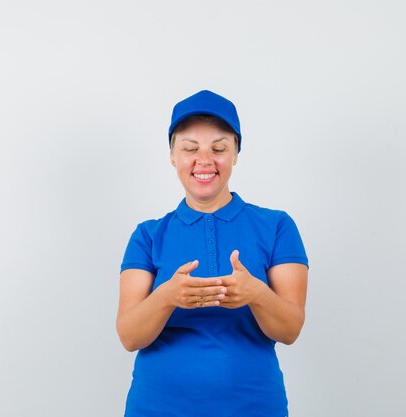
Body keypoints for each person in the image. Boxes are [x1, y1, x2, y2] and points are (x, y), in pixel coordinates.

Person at [116, 90, 309, 417]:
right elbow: (130, 336)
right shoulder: (148, 235)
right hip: (158, 407)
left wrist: (256, 293)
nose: (204, 160)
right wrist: (167, 297)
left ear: (235, 154)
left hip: (254, 406)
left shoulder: (276, 226)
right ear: (173, 156)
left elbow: (289, 330)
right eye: (190, 148)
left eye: (219, 148)